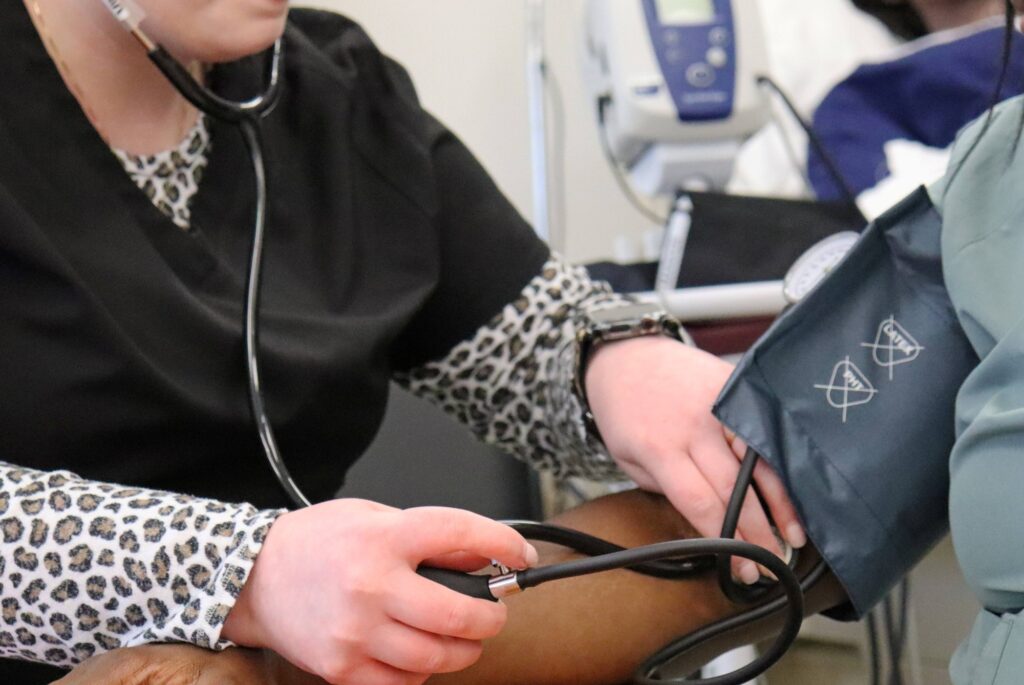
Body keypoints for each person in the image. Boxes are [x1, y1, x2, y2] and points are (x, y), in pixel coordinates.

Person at [0, 1, 806, 683]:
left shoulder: (334, 89)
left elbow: (522, 324)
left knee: (779, 500)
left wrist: (615, 359)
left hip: (315, 659)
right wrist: (243, 573)